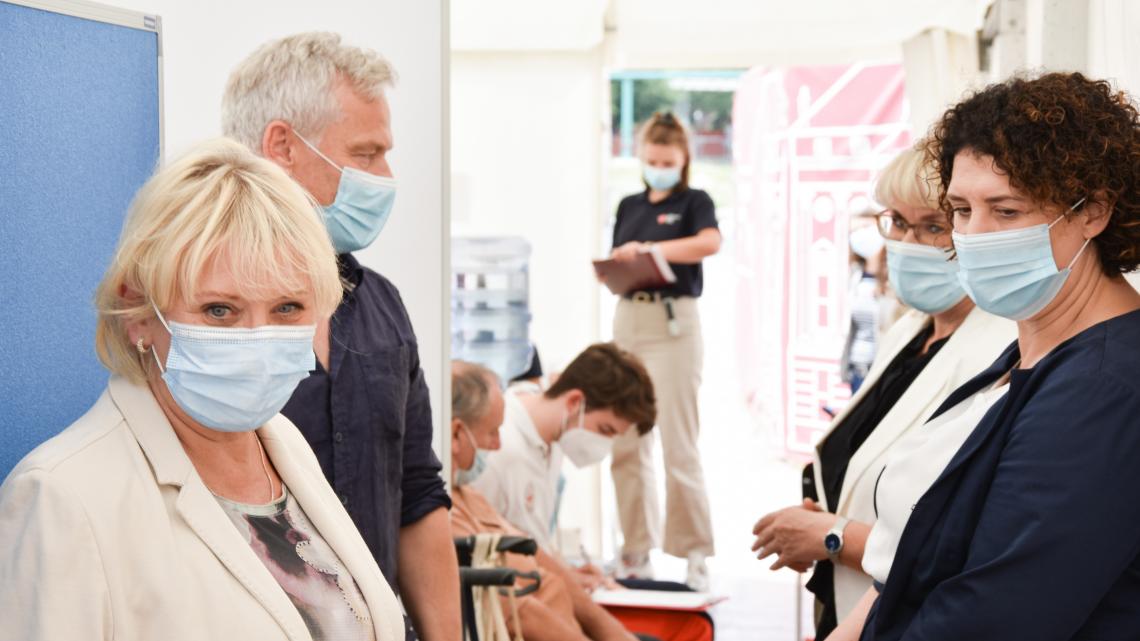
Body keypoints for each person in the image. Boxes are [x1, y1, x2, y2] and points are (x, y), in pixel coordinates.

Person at [0, 139, 404, 641]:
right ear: (140, 315)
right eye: (219, 310)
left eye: (287, 309)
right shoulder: (61, 498)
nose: (257, 340)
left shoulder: (284, 448)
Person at [843, 72, 1140, 640]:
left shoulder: (1106, 389)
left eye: (1006, 212)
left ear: (1093, 212)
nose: (973, 236)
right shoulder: (1029, 351)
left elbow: (997, 616)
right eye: (959, 209)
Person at [222, 32, 458, 641]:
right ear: (283, 146)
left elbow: (418, 492)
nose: (385, 176)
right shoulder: (205, 319)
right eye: (367, 152)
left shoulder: (380, 307)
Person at [750, 144, 1015, 640]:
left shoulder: (1005, 349)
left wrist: (832, 537)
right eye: (897, 222)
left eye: (934, 226)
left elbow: (961, 539)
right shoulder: (910, 331)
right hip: (852, 606)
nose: (909, 244)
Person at [449, 361, 709, 641]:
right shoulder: (490, 471)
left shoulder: (471, 495)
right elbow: (517, 610)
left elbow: (535, 552)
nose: (496, 444)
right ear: (455, 434)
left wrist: (571, 576)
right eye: (606, 430)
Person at [607, 112, 720, 589]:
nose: (659, 167)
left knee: (679, 441)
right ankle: (635, 548)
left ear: (683, 159)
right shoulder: (629, 204)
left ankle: (694, 552)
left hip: (675, 323)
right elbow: (618, 256)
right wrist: (622, 260)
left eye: (667, 161)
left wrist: (652, 251)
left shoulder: (694, 201)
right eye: (651, 160)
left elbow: (709, 243)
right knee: (625, 439)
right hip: (631, 315)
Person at [471, 343, 656, 556]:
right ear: (575, 401)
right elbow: (481, 552)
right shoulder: (500, 448)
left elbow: (535, 541)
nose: (605, 444)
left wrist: (570, 574)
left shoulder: (554, 438)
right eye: (605, 430)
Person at [839, 211, 886, 393]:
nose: (860, 235)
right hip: (857, 365)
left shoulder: (892, 279)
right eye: (855, 230)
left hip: (880, 370)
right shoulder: (855, 274)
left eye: (866, 227)